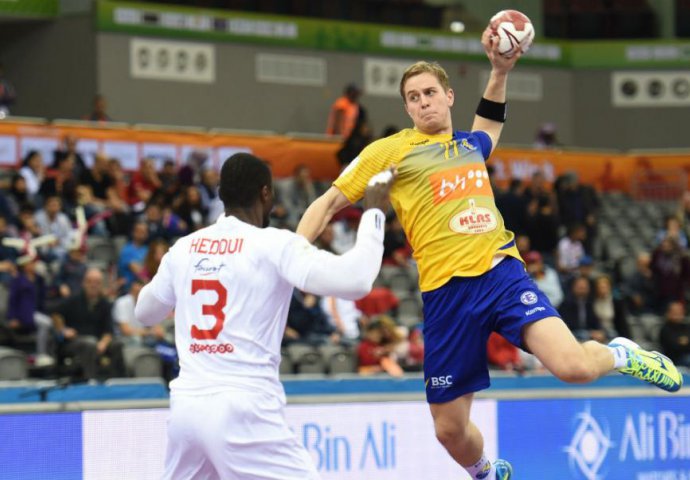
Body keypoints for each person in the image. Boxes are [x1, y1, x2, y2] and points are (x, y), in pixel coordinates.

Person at [296, 32, 683, 480]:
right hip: (445, 296)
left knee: (574, 367)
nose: (423, 102)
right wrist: (291, 255)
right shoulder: (391, 151)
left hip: (501, 277)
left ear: (448, 96)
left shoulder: (470, 146)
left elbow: (491, 120)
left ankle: (621, 355)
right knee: (449, 430)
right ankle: (485, 471)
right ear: (407, 108)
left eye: (430, 93)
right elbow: (327, 202)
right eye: (413, 98)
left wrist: (500, 70)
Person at [134, 152, 393, 479]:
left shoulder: (185, 247)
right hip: (244, 408)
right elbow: (356, 280)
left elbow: (144, 313)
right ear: (266, 193)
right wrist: (374, 212)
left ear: (221, 194)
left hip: (186, 408)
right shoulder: (275, 244)